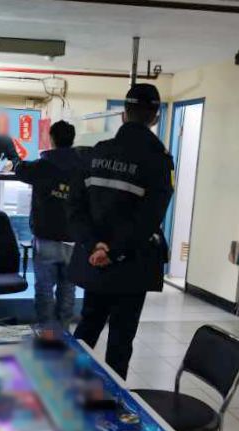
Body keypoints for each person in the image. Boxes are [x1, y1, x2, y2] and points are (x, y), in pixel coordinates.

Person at [69, 84, 174, 379]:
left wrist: (95, 247)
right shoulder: (159, 161)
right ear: (155, 117)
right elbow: (149, 219)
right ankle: (113, 401)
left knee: (87, 327)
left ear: (123, 115)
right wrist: (113, 251)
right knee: (120, 339)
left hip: (95, 262)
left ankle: (67, 391)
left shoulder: (95, 154)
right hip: (132, 264)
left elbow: (74, 209)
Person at [15, 121, 81, 329]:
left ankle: (46, 332)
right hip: (73, 239)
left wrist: (15, 162)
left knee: (44, 289)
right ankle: (64, 332)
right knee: (68, 289)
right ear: (72, 140)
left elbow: (20, 169)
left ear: (51, 139)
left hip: (46, 238)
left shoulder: (42, 166)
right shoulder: (82, 167)